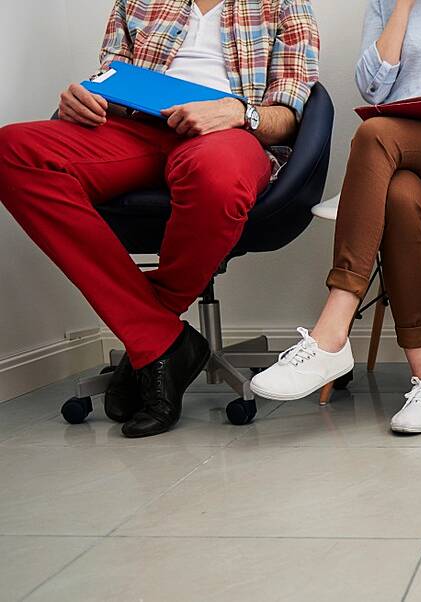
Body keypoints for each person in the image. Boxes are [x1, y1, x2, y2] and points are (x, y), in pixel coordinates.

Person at [0, 0, 319, 438]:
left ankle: (151, 338)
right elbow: (109, 81)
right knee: (13, 150)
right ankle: (163, 339)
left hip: (228, 135)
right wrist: (84, 98)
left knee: (216, 175)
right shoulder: (136, 2)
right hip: (135, 130)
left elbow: (288, 114)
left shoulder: (284, 4)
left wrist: (237, 112)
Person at [250, 0, 421, 434]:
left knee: (374, 133)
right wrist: (403, 6)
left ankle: (333, 328)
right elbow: (372, 87)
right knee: (399, 195)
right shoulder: (385, 4)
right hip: (395, 159)